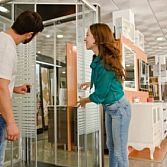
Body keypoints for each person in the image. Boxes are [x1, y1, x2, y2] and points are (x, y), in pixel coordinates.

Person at [77, 23, 131, 167]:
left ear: (97, 39)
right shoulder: (98, 58)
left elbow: (100, 94)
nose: (85, 38)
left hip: (119, 109)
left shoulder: (104, 63)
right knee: (111, 147)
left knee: (120, 152)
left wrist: (84, 101)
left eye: (88, 35)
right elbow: (105, 80)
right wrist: (90, 83)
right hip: (110, 108)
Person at [0, 10, 44, 166]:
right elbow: (1, 87)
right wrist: (11, 123)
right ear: (29, 34)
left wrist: (13, 88)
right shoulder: (7, 47)